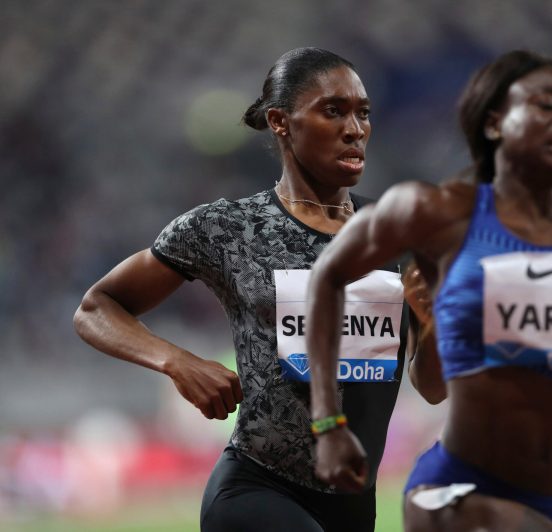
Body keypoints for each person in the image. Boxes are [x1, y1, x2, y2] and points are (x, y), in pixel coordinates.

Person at [305, 50, 552, 531]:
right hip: (460, 495)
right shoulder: (435, 212)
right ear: (495, 123)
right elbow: (327, 276)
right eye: (548, 105)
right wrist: (328, 424)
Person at [74, 47, 418, 532]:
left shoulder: (398, 234)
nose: (355, 129)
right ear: (281, 122)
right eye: (333, 111)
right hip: (258, 489)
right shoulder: (226, 229)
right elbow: (95, 308)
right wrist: (178, 361)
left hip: (353, 503)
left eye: (363, 113)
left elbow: (432, 382)